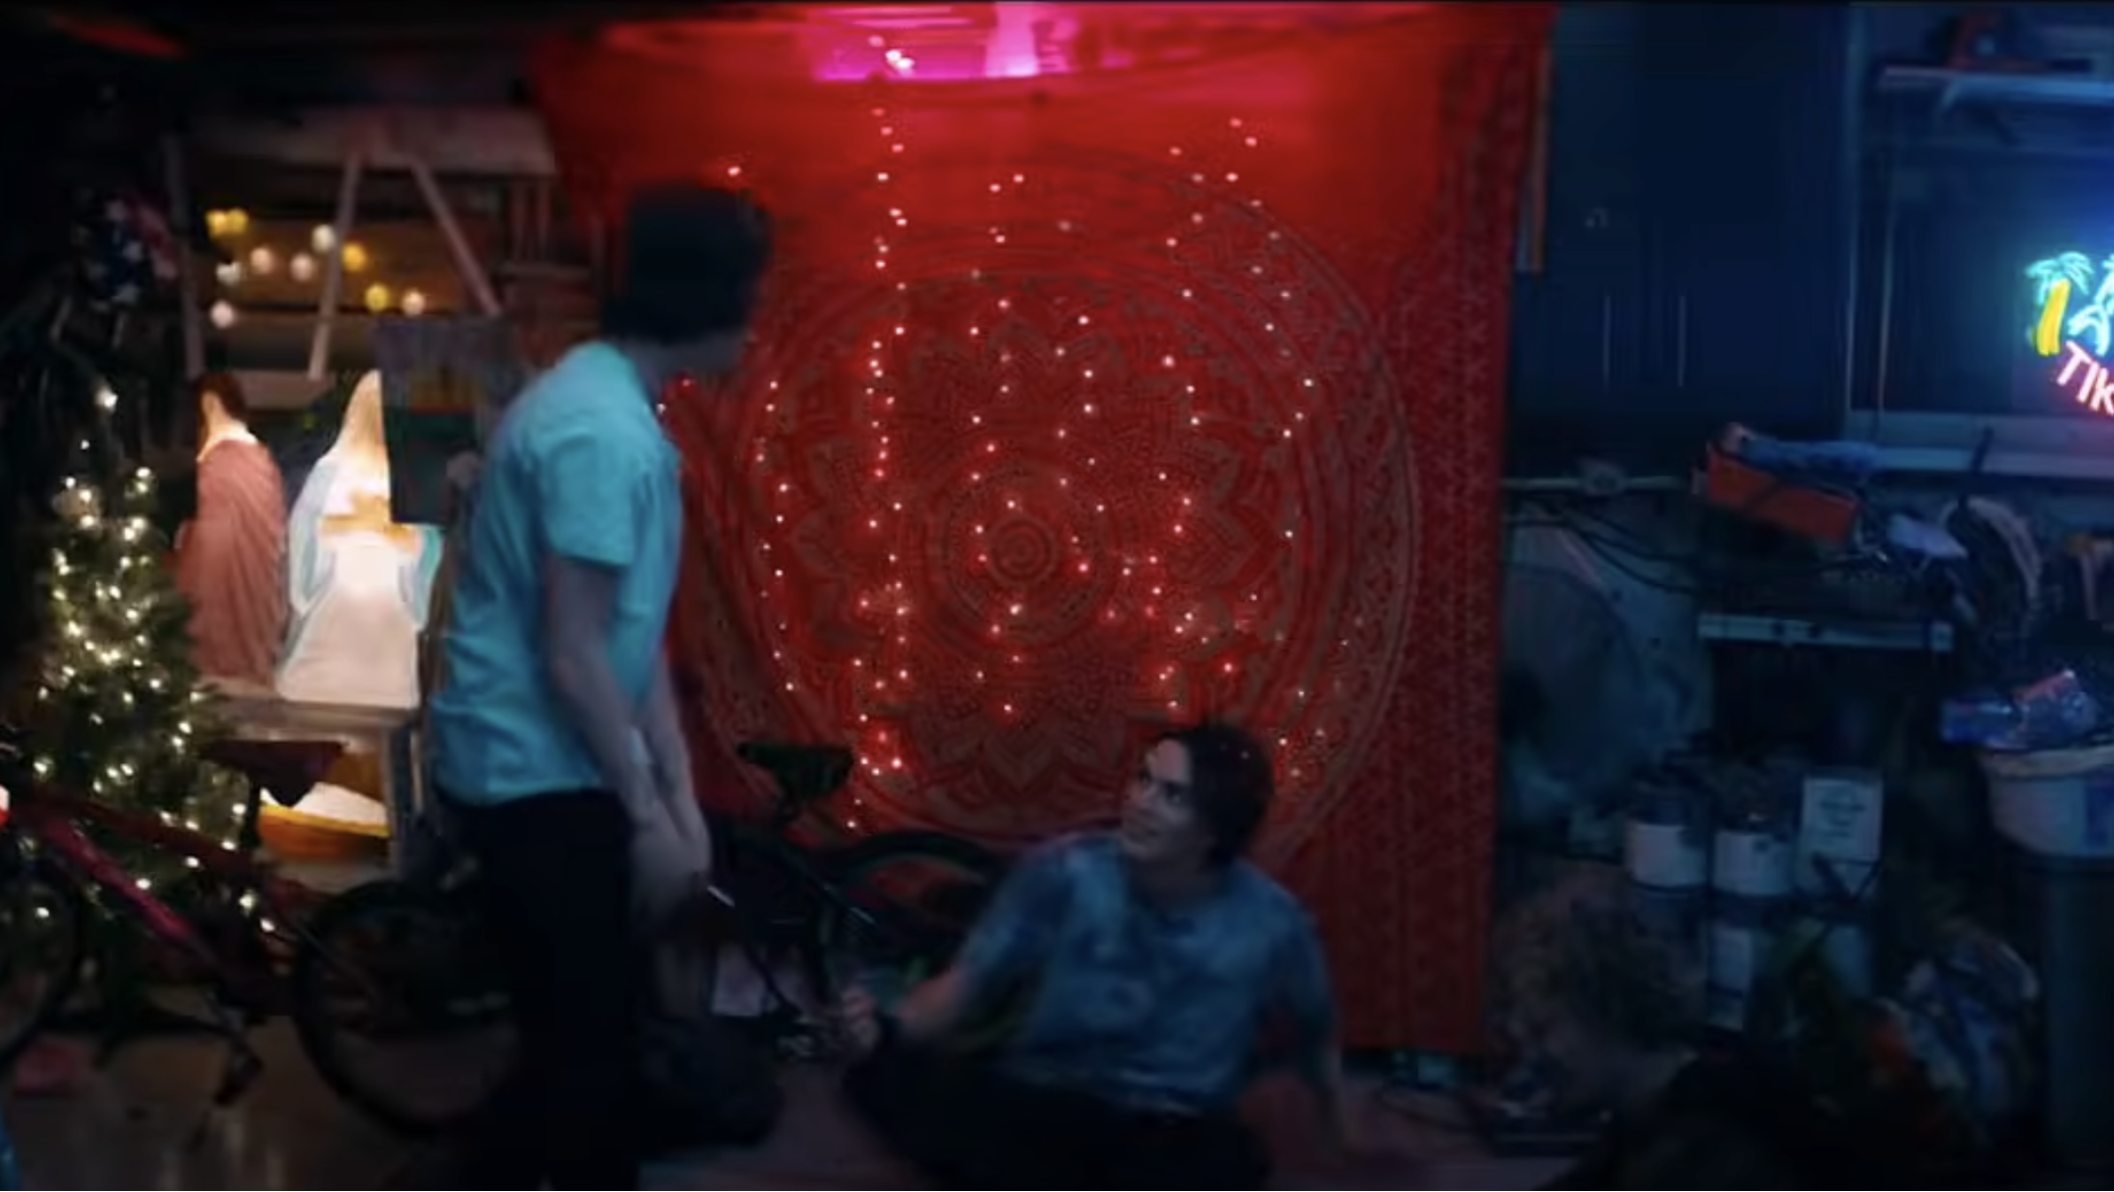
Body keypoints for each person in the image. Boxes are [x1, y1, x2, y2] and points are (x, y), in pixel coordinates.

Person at [424, 183, 772, 1189]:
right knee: (589, 1050)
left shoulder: (608, 406)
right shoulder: (598, 433)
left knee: (575, 1042)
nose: (756, 326)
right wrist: (647, 809)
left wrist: (674, 797)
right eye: (750, 298)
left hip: (556, 762)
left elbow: (631, 640)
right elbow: (574, 653)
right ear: (706, 299)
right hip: (528, 772)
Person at [838, 720, 1372, 1188]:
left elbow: (1315, 1029)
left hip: (1169, 1130)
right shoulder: (1066, 870)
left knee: (1234, 1161)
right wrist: (890, 1027)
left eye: (1173, 796)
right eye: (1143, 779)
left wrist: (1341, 1125)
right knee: (890, 1078)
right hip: (1048, 1105)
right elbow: (968, 982)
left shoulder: (1271, 920)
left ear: (1215, 828)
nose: (1140, 803)